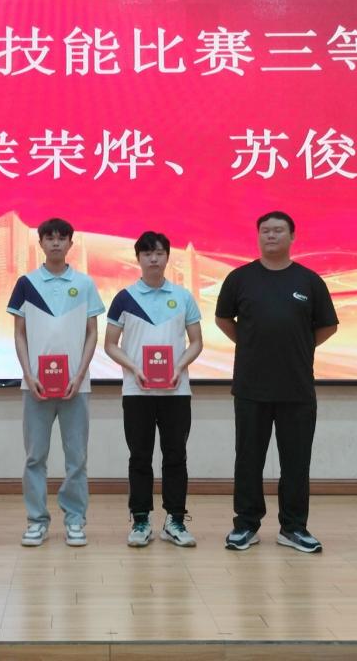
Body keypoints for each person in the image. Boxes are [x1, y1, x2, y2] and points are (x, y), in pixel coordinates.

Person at [214, 211, 338, 553]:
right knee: (248, 460)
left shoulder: (309, 281)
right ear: (258, 236)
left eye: (278, 230)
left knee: (296, 462)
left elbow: (328, 325)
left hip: (296, 387)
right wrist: (250, 342)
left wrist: (300, 345)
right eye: (265, 231)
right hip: (251, 386)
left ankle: (293, 528)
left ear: (292, 237)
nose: (271, 235)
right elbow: (223, 318)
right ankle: (246, 525)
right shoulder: (240, 278)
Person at [103, 230, 203, 548]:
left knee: (176, 456)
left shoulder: (183, 297)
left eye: (159, 253)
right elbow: (110, 344)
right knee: (140, 457)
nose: (154, 259)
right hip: (137, 392)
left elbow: (196, 342)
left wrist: (178, 367)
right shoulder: (125, 298)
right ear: (138, 258)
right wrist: (134, 368)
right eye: (147, 253)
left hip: (176, 391)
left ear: (167, 257)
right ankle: (141, 520)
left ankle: (175, 521)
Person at [8, 217, 104, 547]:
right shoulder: (26, 283)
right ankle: (37, 521)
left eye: (62, 238)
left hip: (76, 387)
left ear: (70, 244)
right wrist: (28, 373)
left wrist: (80, 374)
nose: (56, 243)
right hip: (35, 387)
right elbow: (19, 334)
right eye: (49, 238)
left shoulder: (85, 283)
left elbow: (92, 333)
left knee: (76, 459)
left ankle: (75, 520)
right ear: (40, 243)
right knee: (35, 457)